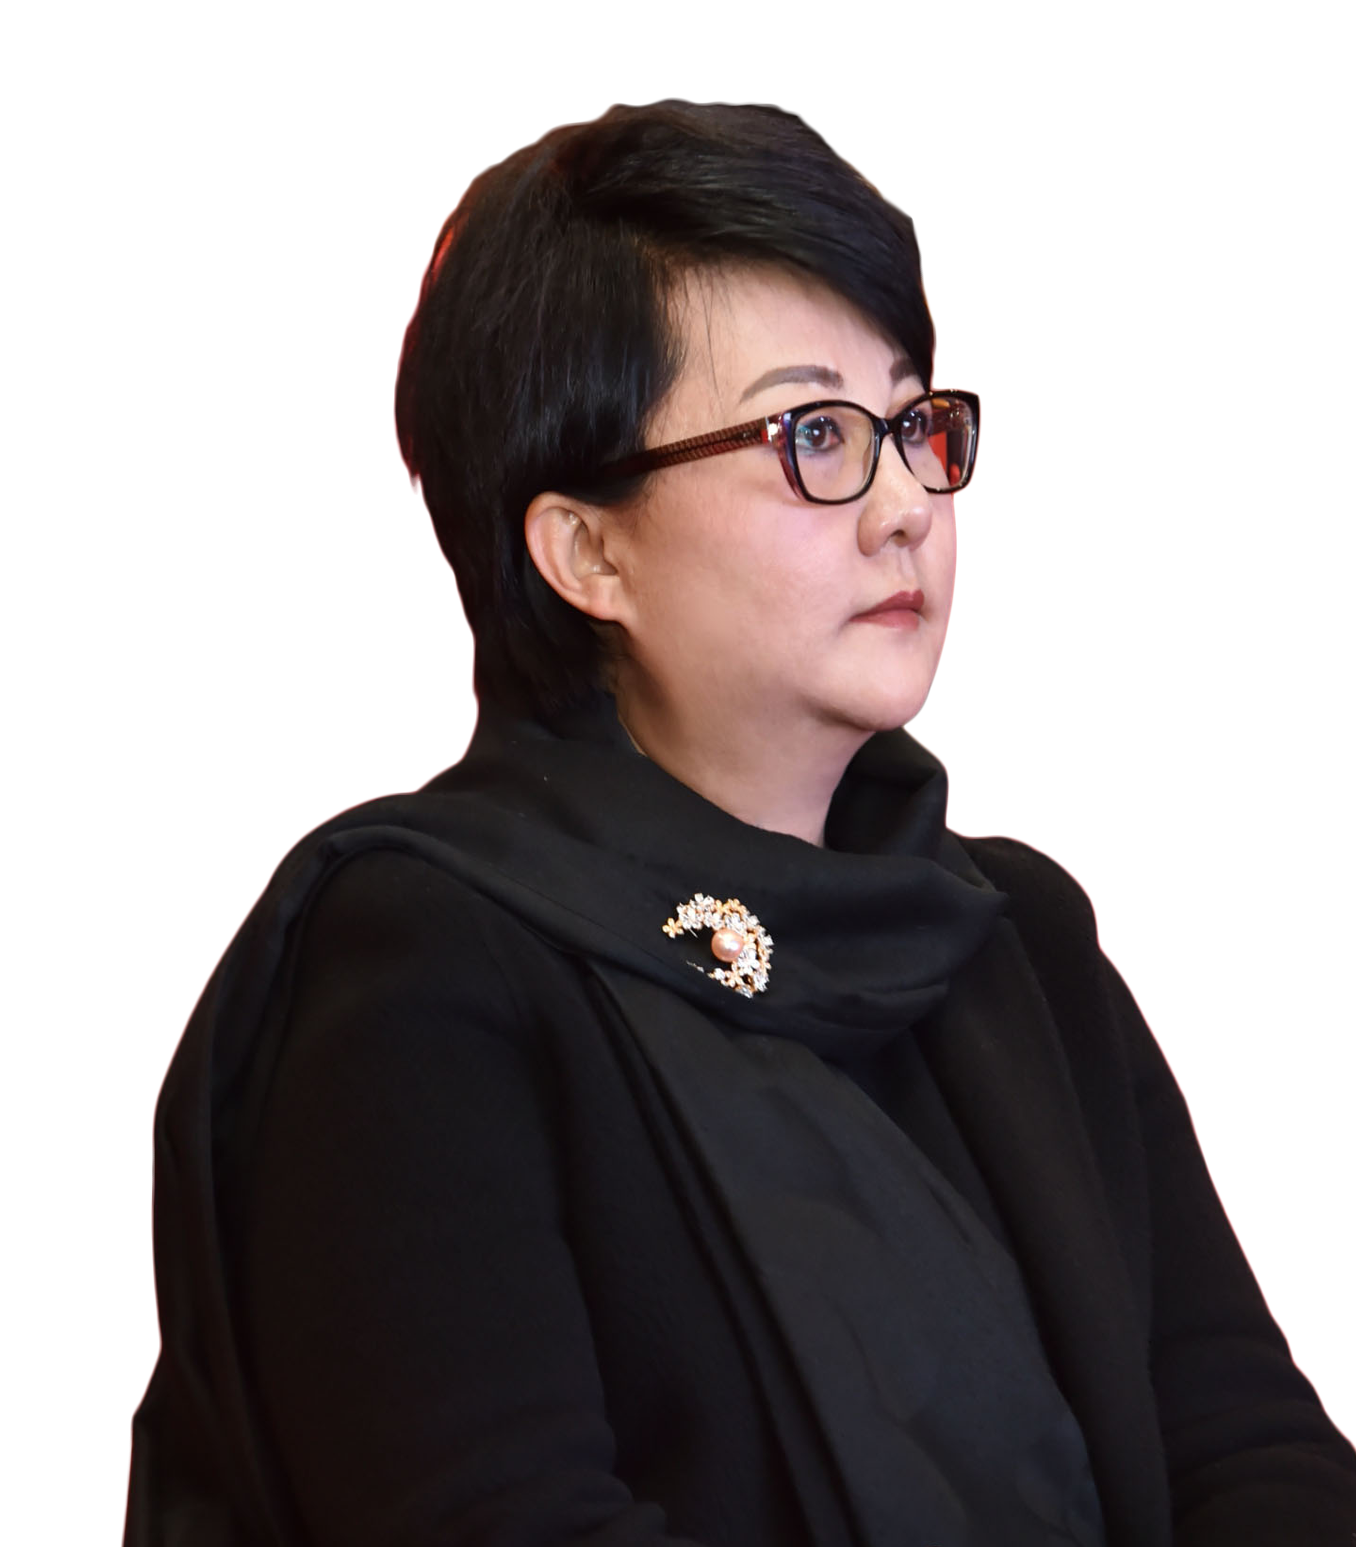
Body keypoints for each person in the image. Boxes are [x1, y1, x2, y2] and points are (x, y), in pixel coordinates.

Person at [125, 101, 1356, 1546]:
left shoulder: (1017, 936)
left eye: (914, 424)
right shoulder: (420, 964)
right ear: (587, 550)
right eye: (812, 434)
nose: (906, 505)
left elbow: (1249, 1449)